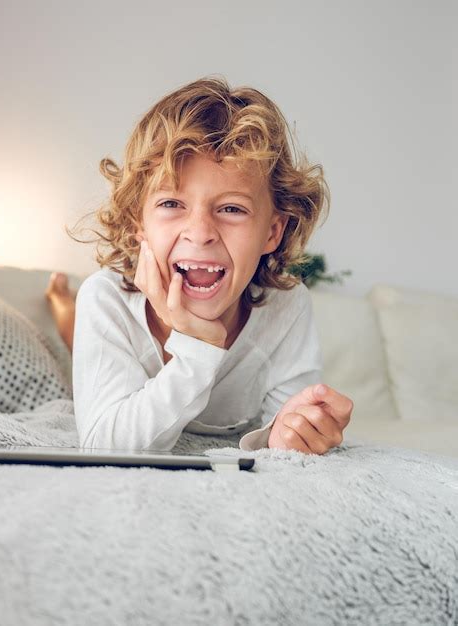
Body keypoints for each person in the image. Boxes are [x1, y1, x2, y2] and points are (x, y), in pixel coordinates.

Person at [53, 75, 353, 452]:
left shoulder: (287, 308)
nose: (200, 232)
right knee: (75, 324)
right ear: (137, 224)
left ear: (272, 233)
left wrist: (295, 430)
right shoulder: (106, 298)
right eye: (171, 204)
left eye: (232, 209)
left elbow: (283, 426)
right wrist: (199, 347)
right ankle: (62, 307)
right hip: (109, 309)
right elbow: (106, 445)